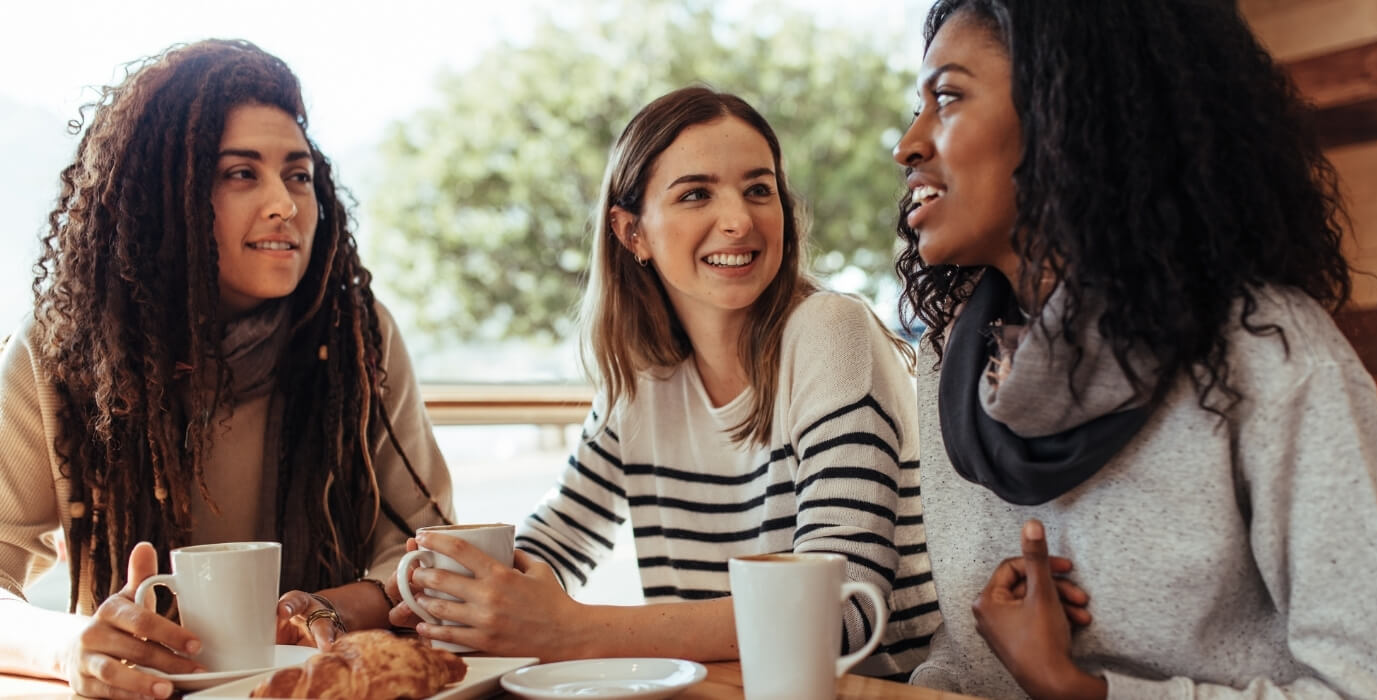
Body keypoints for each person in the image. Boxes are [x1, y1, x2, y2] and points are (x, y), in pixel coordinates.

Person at [890, 1, 1377, 698]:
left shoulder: (1267, 353)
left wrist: (1079, 691)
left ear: (1071, 114)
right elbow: (966, 665)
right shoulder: (953, 360)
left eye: (947, 96)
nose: (908, 144)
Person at [388, 86, 942, 677]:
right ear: (633, 234)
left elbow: (840, 612)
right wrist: (466, 591)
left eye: (759, 190)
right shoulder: (641, 380)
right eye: (696, 194)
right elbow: (552, 548)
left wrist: (571, 631)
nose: (738, 220)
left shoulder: (831, 330)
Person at [0, 39, 454, 699]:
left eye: (298, 175)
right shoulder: (60, 353)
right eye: (242, 174)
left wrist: (323, 612)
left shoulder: (358, 337)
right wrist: (72, 648)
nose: (285, 204)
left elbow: (426, 552)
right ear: (160, 198)